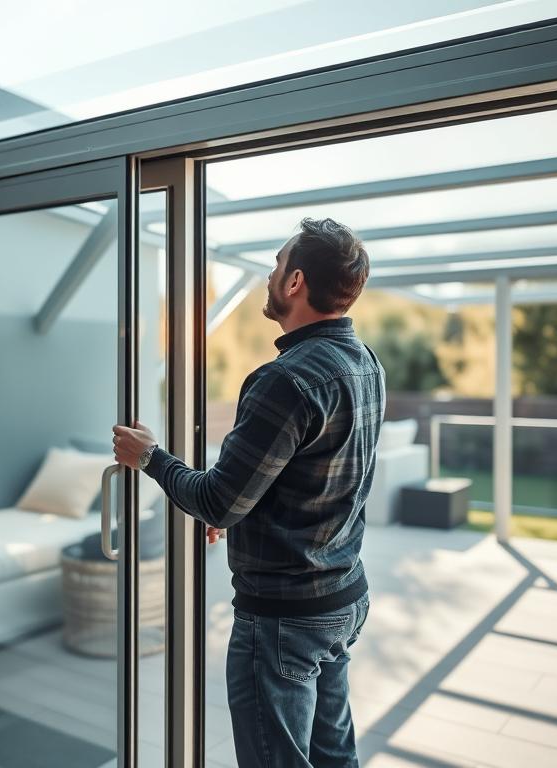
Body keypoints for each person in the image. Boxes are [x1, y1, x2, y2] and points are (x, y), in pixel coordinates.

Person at [113, 217, 384, 768]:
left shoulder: (285, 380)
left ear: (295, 282)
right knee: (335, 757)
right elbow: (310, 474)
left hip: (285, 619)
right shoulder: (366, 364)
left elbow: (216, 500)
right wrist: (240, 505)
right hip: (343, 597)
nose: (268, 274)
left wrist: (148, 457)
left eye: (278, 264)